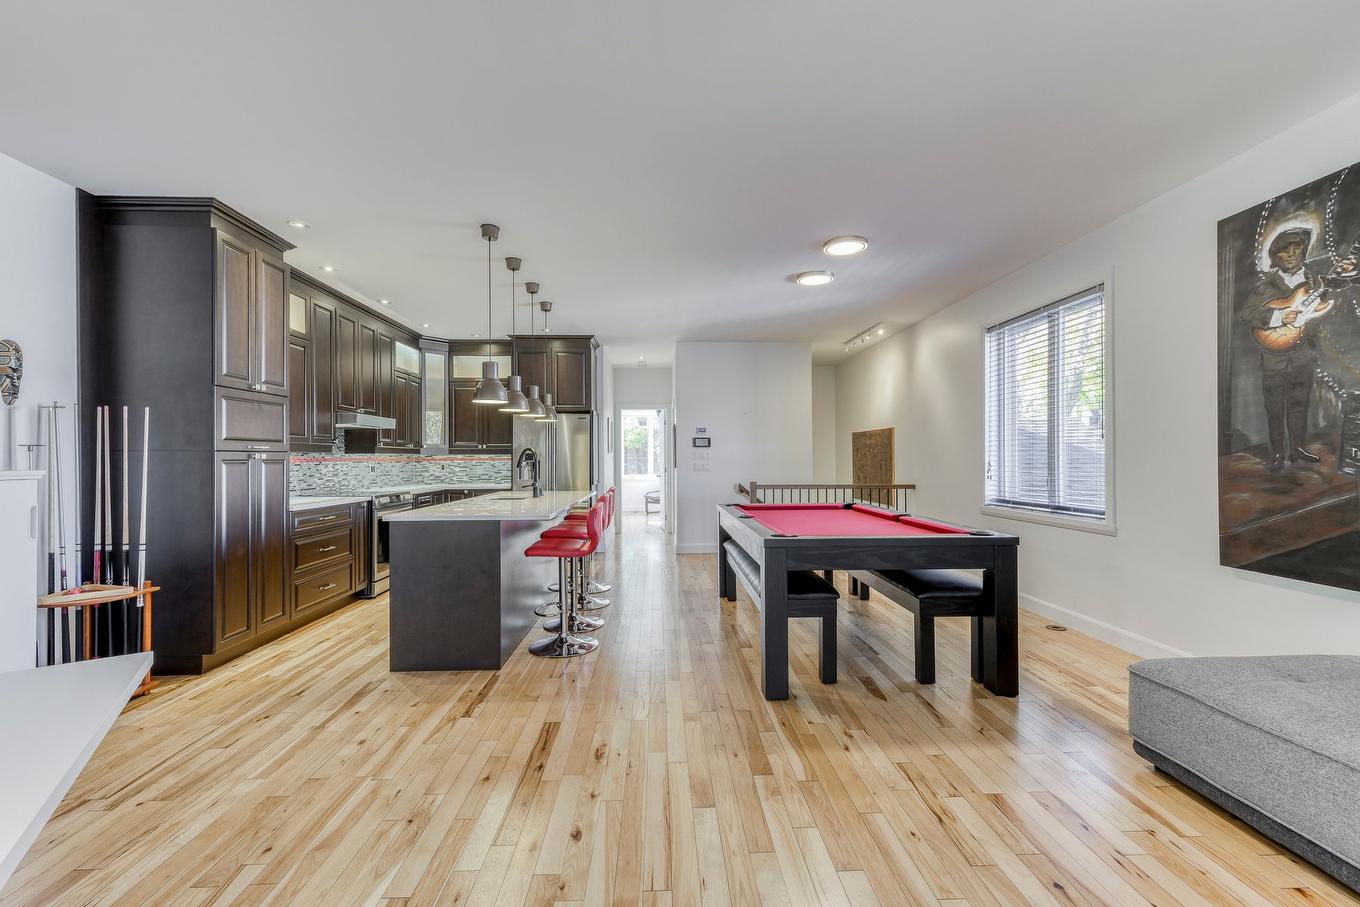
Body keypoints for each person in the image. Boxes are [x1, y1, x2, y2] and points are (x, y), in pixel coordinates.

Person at [1241, 227, 1355, 471]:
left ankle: (1297, 450)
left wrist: (1350, 271)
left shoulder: (1317, 280)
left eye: (1297, 248)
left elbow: (1342, 286)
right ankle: (1277, 453)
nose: (1292, 254)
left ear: (1305, 252)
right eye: (1285, 250)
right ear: (1275, 257)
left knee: (1300, 405)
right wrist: (1279, 317)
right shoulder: (1266, 286)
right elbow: (1248, 315)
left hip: (1304, 356)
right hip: (1274, 359)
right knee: (1274, 408)